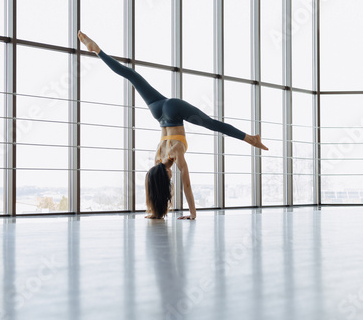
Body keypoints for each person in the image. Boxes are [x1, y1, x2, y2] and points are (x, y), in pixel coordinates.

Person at [78, 31, 268, 220]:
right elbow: (152, 185)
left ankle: (251, 139)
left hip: (173, 111)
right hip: (158, 112)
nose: (171, 177)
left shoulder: (176, 153)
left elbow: (186, 185)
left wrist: (193, 214)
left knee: (211, 124)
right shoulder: (157, 159)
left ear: (168, 173)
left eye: (169, 177)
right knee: (132, 76)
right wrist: (154, 211)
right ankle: (98, 51)